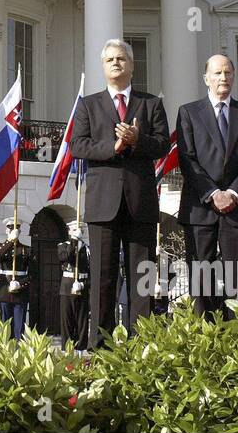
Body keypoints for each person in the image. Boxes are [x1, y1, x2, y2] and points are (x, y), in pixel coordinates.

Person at [70, 38, 170, 344]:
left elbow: (164, 144)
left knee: (141, 276)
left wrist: (138, 139)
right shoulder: (88, 104)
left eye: (122, 58)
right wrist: (114, 146)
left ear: (131, 64)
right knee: (103, 276)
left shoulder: (150, 104)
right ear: (103, 66)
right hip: (103, 203)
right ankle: (99, 344)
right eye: (110, 59)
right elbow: (78, 145)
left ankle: (141, 343)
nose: (116, 63)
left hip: (140, 201)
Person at [176, 54, 238, 320]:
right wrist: (213, 194)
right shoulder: (189, 112)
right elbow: (187, 158)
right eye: (217, 73)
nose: (223, 78)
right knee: (201, 278)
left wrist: (233, 193)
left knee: (237, 279)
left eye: (227, 73)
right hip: (200, 206)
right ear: (207, 78)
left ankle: (237, 337)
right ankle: (205, 338)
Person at [0, 218, 32, 339]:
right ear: (6, 230)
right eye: (11, 228)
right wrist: (9, 241)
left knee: (19, 327)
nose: (14, 230)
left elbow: (33, 273)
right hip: (4, 289)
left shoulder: (27, 249)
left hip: (20, 291)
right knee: (5, 325)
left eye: (16, 228)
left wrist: (20, 284)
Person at [57, 220, 90, 349]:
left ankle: (81, 350)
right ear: (69, 231)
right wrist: (74, 240)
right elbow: (65, 257)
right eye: (76, 229)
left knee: (82, 321)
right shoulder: (63, 246)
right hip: (67, 287)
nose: (79, 231)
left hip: (82, 286)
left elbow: (92, 271)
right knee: (67, 321)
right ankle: (67, 350)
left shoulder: (87, 249)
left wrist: (84, 285)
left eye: (81, 229)